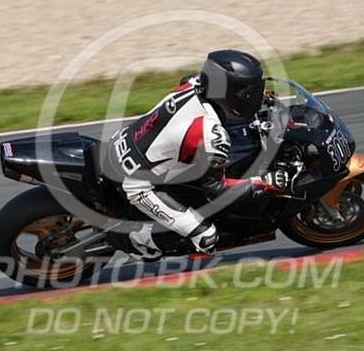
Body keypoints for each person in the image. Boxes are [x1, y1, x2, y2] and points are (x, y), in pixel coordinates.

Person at [106, 49, 289, 260]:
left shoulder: (196, 83)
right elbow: (217, 192)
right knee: (207, 237)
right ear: (231, 91)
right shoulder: (211, 133)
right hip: (137, 183)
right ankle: (130, 239)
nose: (257, 94)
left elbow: (187, 80)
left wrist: (263, 100)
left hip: (123, 143)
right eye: (252, 90)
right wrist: (264, 182)